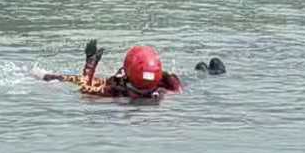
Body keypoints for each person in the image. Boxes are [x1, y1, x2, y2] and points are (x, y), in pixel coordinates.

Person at [35, 39, 194, 100]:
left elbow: (85, 89)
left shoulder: (117, 91)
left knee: (66, 79)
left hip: (112, 86)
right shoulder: (166, 88)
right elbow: (175, 82)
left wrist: (90, 63)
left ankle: (43, 76)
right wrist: (159, 73)